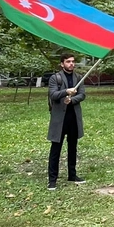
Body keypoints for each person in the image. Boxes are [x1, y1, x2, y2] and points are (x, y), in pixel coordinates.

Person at [47, 52, 86, 190]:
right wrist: (66, 91)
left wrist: (72, 100)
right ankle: (52, 180)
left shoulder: (78, 77)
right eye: (68, 61)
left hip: (73, 118)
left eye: (73, 61)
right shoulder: (55, 78)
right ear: (62, 64)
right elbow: (53, 94)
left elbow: (82, 94)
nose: (71, 64)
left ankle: (72, 174)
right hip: (59, 119)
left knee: (72, 147)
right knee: (55, 149)